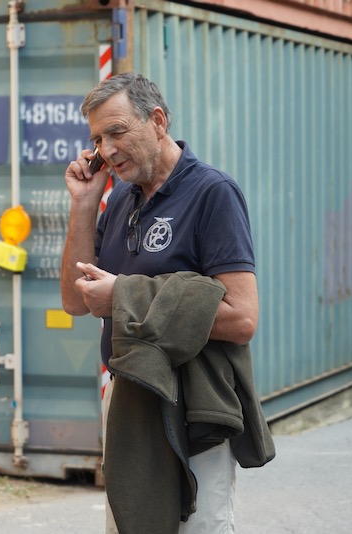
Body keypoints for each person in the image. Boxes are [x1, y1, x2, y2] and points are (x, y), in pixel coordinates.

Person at [60, 73, 273, 533]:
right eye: (97, 139)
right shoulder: (119, 197)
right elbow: (75, 302)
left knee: (199, 527)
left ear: (157, 120)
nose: (106, 150)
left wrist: (125, 296)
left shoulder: (213, 192)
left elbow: (243, 318)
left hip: (194, 404)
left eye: (117, 132)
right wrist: (84, 205)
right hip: (129, 398)